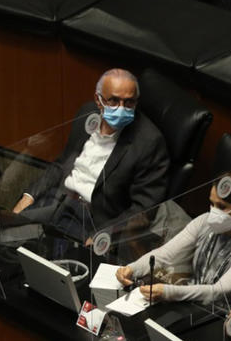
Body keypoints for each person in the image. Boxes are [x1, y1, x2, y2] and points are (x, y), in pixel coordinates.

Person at [12, 68, 169, 239]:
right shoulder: (87, 113)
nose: (121, 109)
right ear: (98, 100)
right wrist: (30, 196)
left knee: (43, 251)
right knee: (4, 235)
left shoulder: (149, 142)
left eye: (129, 102)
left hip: (92, 220)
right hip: (57, 200)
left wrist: (103, 235)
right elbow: (61, 164)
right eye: (114, 101)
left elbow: (143, 209)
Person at [115, 170, 231, 304]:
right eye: (212, 204)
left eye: (221, 207)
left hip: (219, 316)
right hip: (187, 302)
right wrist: (132, 269)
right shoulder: (204, 222)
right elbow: (165, 255)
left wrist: (168, 292)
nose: (214, 211)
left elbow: (218, 291)